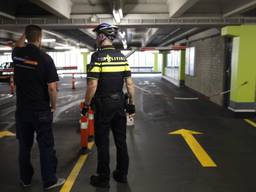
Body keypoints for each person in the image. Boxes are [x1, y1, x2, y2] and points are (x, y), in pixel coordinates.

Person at [81, 23, 136, 188]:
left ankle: (103, 178)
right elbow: (130, 84)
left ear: (102, 36)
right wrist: (131, 104)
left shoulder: (97, 57)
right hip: (119, 103)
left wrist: (86, 105)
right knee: (121, 141)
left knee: (103, 142)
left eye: (97, 34)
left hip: (103, 105)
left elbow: (92, 85)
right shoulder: (122, 57)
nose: (96, 38)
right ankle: (122, 174)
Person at [12, 25, 65, 190]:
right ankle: (49, 180)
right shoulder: (46, 59)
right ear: (40, 37)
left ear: (26, 37)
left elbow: (17, 45)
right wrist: (53, 106)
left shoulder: (17, 55)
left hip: (22, 110)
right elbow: (52, 87)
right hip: (41, 109)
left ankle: (25, 179)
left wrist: (25, 33)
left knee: (24, 147)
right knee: (46, 146)